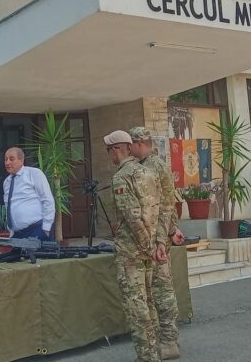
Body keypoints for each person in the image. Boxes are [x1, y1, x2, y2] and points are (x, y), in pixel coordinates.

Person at [105, 130, 163, 362]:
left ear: (115, 150)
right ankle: (155, 351)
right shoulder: (148, 172)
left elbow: (132, 216)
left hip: (133, 250)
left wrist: (146, 244)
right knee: (148, 300)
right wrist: (155, 243)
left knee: (136, 304)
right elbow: (160, 209)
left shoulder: (121, 177)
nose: (110, 156)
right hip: (149, 246)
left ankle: (146, 356)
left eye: (109, 151)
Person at [129, 127, 183, 360]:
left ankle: (169, 341)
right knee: (156, 291)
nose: (129, 149)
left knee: (161, 290)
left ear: (139, 144)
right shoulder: (148, 164)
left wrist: (162, 237)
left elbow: (165, 206)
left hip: (157, 238)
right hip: (156, 235)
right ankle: (165, 340)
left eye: (131, 144)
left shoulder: (152, 167)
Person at [1, 147, 55, 241]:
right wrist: (11, 232)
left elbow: (47, 200)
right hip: (17, 234)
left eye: (11, 159)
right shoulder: (7, 182)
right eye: (6, 159)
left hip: (37, 230)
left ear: (21, 160)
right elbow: (8, 206)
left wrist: (46, 228)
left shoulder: (33, 173)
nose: (7, 162)